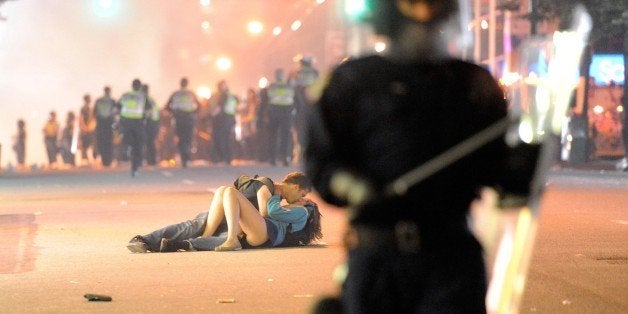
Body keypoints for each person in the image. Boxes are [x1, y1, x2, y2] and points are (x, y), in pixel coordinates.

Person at [304, 1, 538, 313]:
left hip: (451, 259)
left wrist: (524, 166)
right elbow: (323, 163)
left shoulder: (471, 84)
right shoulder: (352, 82)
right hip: (378, 258)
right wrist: (353, 186)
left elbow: (499, 174)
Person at [126, 172, 322, 253]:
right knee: (214, 201)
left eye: (305, 199)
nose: (301, 199)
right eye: (303, 194)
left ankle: (219, 238)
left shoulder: (291, 207)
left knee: (197, 223)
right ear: (295, 186)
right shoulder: (267, 186)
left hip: (242, 224)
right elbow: (266, 212)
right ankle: (147, 241)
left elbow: (266, 214)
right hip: (234, 219)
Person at [166, 77, 200, 168]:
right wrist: (194, 113)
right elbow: (199, 105)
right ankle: (187, 159)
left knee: (181, 138)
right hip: (189, 118)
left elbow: (167, 106)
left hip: (179, 118)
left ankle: (183, 159)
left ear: (180, 84)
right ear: (187, 84)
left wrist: (173, 113)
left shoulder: (175, 94)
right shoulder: (191, 94)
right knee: (188, 138)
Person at [117, 78, 149, 176]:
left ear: (132, 86)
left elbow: (118, 107)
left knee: (126, 140)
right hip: (138, 122)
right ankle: (135, 167)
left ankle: (127, 148)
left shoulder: (125, 95)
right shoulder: (143, 96)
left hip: (126, 121)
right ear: (140, 86)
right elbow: (148, 110)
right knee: (138, 144)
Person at [267, 68, 295, 166]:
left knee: (273, 136)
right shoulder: (289, 86)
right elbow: (296, 98)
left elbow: (266, 99)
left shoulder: (272, 86)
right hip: (287, 112)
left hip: (274, 112)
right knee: (286, 136)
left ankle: (273, 158)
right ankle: (286, 157)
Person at [210, 80, 238, 165]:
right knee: (227, 138)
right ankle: (228, 158)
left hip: (223, 118)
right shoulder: (232, 95)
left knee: (221, 138)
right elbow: (236, 106)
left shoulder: (223, 95)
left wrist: (212, 115)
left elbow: (220, 107)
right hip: (231, 118)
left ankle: (223, 157)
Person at [94, 86, 117, 167]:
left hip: (101, 124)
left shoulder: (99, 100)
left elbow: (95, 113)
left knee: (102, 142)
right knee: (109, 142)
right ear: (109, 91)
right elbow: (115, 113)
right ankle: (108, 161)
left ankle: (104, 160)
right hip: (109, 124)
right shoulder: (112, 101)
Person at [143, 84, 159, 167]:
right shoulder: (151, 99)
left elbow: (147, 112)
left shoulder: (143, 99)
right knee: (151, 142)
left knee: (144, 142)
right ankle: (152, 160)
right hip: (153, 123)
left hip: (146, 123)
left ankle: (146, 159)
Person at [78, 94, 96, 166]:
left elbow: (93, 118)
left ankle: (90, 159)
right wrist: (84, 127)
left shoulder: (91, 109)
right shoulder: (83, 108)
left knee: (90, 144)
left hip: (90, 128)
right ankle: (85, 160)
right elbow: (81, 118)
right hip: (84, 129)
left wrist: (91, 126)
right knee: (84, 144)